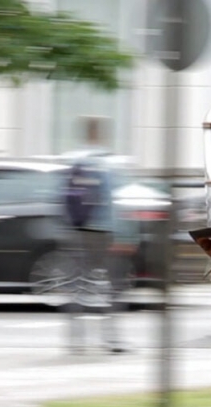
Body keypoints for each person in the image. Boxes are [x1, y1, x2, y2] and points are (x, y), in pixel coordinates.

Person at [61, 116, 138, 354]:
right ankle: (112, 340)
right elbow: (116, 201)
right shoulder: (109, 163)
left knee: (79, 284)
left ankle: (76, 340)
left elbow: (63, 198)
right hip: (104, 232)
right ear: (102, 134)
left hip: (78, 230)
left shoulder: (74, 160)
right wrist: (125, 237)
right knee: (113, 286)